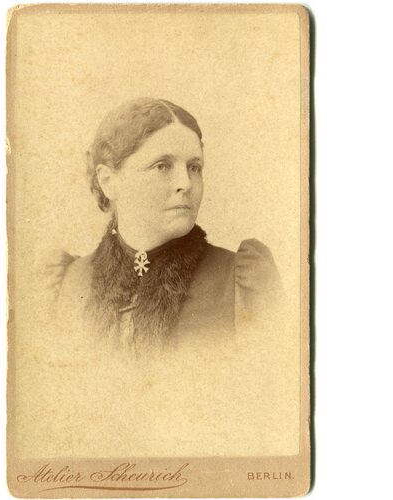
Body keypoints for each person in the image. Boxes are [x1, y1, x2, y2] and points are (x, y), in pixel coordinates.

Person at [50, 97, 282, 355]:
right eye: (162, 166)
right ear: (108, 181)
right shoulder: (70, 284)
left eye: (194, 167)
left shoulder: (240, 284)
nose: (186, 183)